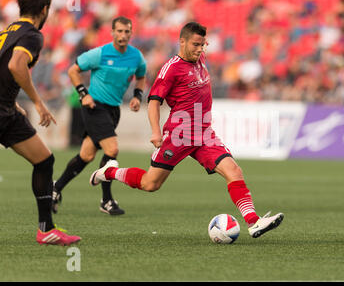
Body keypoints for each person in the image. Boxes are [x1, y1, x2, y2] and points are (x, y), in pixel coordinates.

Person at [89, 22, 284, 238]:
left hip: (204, 133)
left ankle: (253, 222)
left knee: (234, 171)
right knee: (150, 184)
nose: (200, 49)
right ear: (182, 42)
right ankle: (109, 172)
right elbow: (154, 102)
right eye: (195, 44)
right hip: (179, 135)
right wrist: (155, 132)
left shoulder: (200, 58)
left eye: (203, 45)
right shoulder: (171, 68)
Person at [0, 0, 80, 245]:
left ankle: (46, 229)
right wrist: (38, 102)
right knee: (44, 162)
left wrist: (11, 100)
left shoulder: (7, 31)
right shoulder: (32, 35)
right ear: (44, 10)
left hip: (7, 110)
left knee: (44, 160)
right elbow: (15, 65)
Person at [52, 16, 147, 215]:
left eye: (126, 31)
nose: (123, 35)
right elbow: (73, 70)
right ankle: (106, 200)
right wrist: (83, 94)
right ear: (112, 32)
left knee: (86, 155)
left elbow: (141, 76)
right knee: (112, 149)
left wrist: (138, 96)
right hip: (95, 106)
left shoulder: (136, 57)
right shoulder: (100, 53)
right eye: (119, 31)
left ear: (131, 33)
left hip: (113, 110)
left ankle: (56, 188)